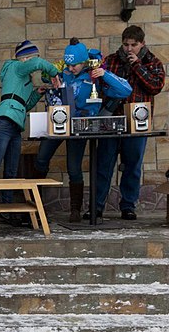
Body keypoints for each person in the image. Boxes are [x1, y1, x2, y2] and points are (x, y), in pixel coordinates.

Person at [34, 38, 132, 222]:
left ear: (84, 62)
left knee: (74, 168)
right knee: (41, 160)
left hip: (80, 127)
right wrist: (52, 77)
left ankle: (75, 210)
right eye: (68, 65)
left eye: (75, 65)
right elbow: (45, 75)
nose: (71, 68)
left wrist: (104, 74)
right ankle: (34, 206)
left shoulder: (94, 77)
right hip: (57, 123)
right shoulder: (63, 73)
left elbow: (125, 90)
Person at [0, 40, 60, 226]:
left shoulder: (23, 77)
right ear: (26, 58)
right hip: (3, 121)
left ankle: (6, 211)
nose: (35, 63)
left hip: (15, 124)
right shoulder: (16, 67)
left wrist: (37, 93)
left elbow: (25, 105)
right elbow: (38, 64)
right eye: (33, 58)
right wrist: (54, 73)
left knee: (11, 171)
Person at [90, 25, 166, 220]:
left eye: (134, 45)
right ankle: (96, 206)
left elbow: (155, 86)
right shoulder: (111, 61)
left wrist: (137, 65)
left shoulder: (153, 62)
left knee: (132, 165)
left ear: (142, 44)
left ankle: (128, 206)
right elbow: (99, 86)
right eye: (126, 45)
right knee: (104, 163)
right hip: (112, 118)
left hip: (137, 121)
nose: (129, 49)